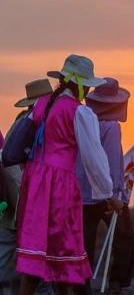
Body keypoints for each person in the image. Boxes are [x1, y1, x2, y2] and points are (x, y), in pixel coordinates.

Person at [16, 55, 122, 295]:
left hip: (35, 182)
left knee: (37, 253)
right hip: (59, 184)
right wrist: (108, 193)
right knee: (62, 253)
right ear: (79, 84)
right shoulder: (79, 113)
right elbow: (93, 157)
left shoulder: (42, 104)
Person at [74, 78, 132, 295]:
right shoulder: (111, 127)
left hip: (82, 192)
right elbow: (111, 161)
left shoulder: (81, 122)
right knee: (124, 238)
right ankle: (117, 283)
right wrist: (115, 194)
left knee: (84, 242)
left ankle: (82, 286)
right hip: (107, 195)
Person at [0, 79, 54, 295]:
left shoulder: (20, 122)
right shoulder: (43, 124)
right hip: (29, 203)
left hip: (11, 202)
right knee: (39, 260)